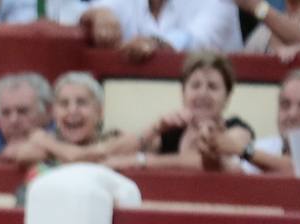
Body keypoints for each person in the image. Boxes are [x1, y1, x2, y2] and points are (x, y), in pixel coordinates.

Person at [108, 51, 252, 171]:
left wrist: (143, 161)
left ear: (227, 97)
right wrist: (155, 127)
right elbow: (116, 154)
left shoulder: (237, 128)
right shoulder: (171, 132)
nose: (203, 93)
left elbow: (203, 162)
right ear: (183, 93)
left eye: (212, 87)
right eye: (195, 86)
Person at [80, 0, 243, 61]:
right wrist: (99, 14)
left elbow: (194, 41)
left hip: (210, 112)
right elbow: (90, 12)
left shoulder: (220, 2)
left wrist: (153, 43)